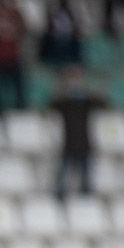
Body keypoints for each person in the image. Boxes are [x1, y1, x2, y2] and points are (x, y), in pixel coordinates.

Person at [51, 65, 106, 197]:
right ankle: (60, 197)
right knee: (62, 180)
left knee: (86, 180)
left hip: (84, 142)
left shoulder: (86, 100)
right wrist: (62, 89)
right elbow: (53, 104)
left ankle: (86, 201)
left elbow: (103, 103)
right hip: (69, 143)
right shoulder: (65, 101)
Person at [0, 0, 28, 114]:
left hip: (13, 58)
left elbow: (23, 31)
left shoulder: (16, 14)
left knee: (20, 85)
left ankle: (20, 109)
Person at [39, 0, 85, 67]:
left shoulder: (75, 44)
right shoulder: (47, 42)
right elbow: (43, 61)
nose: (62, 27)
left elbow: (78, 61)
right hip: (54, 52)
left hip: (68, 48)